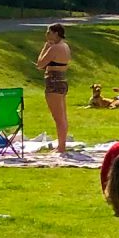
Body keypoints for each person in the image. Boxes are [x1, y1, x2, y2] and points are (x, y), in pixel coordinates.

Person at [35, 22, 72, 150]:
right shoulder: (65, 46)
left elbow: (40, 64)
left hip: (53, 81)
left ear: (56, 33)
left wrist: (45, 48)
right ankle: (62, 145)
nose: (46, 34)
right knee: (62, 116)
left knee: (58, 117)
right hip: (62, 80)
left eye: (49, 32)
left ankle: (61, 147)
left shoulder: (55, 48)